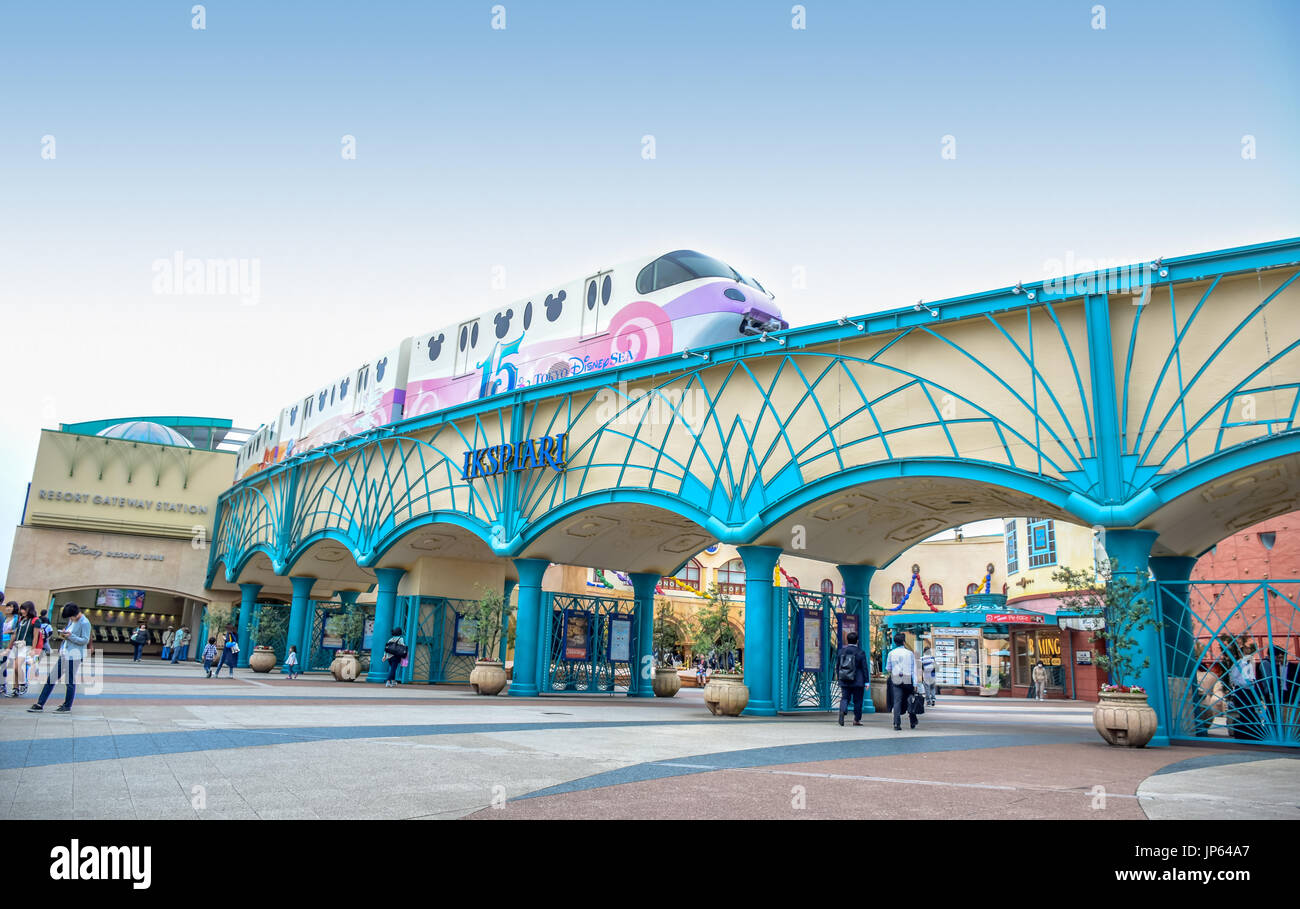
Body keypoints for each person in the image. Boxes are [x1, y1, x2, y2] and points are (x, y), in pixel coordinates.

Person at [28, 602, 92, 714]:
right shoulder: (72, 620)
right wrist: (64, 636)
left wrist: (70, 636)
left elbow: (85, 640)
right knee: (51, 678)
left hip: (74, 655)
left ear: (76, 613)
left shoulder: (85, 622)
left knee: (69, 681)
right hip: (64, 653)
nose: (70, 619)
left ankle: (67, 706)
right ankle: (40, 703)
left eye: (71, 616)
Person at [887, 632, 919, 730]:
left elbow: (888, 668)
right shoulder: (909, 653)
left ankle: (897, 723)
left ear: (895, 642)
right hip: (907, 678)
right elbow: (914, 669)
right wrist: (915, 683)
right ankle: (912, 720)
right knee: (910, 699)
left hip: (896, 678)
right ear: (904, 642)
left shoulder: (891, 653)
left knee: (897, 701)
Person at [836, 631, 869, 726]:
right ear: (857, 641)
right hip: (858, 680)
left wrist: (839, 677)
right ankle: (856, 720)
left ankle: (842, 711)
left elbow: (837, 666)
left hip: (844, 679)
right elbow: (864, 668)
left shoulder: (841, 651)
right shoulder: (860, 652)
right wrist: (866, 682)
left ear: (847, 640)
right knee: (858, 700)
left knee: (845, 697)